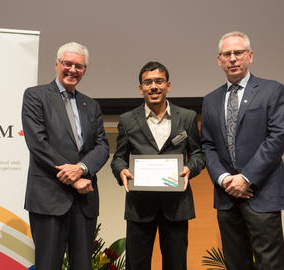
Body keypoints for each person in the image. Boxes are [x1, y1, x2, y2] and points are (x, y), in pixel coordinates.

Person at [21, 42, 109, 270]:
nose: (72, 70)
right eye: (67, 64)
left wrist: (81, 168)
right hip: (49, 198)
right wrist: (72, 176)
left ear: (85, 70)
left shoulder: (91, 105)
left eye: (79, 66)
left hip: (84, 200)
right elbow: (37, 143)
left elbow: (102, 146)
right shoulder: (35, 96)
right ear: (56, 64)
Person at [201, 31, 284, 270]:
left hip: (262, 193)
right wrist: (225, 178)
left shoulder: (272, 90)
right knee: (236, 263)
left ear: (250, 56)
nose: (233, 58)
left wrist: (247, 178)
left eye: (238, 53)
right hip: (227, 196)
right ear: (219, 60)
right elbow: (207, 145)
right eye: (227, 54)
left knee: (271, 263)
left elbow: (278, 137)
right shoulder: (210, 100)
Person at [111, 61, 205, 270]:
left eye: (159, 81)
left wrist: (191, 167)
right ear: (141, 88)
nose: (154, 86)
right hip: (139, 207)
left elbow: (198, 154)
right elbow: (118, 157)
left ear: (168, 85)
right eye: (148, 82)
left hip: (176, 206)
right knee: (136, 265)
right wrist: (121, 170)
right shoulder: (127, 120)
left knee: (176, 265)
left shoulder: (187, 117)